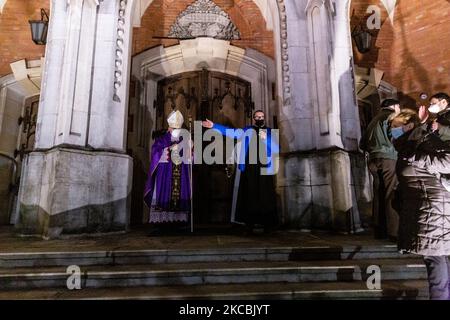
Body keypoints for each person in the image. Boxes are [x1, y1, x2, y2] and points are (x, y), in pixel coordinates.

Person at [390, 108, 450, 300]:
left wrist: (418, 159)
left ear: (408, 125)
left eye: (395, 127)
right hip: (425, 207)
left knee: (435, 257)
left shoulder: (423, 139)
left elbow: (448, 161)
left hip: (434, 208)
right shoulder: (409, 143)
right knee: (437, 257)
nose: (393, 131)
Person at [202, 110, 279, 234]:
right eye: (257, 116)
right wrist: (214, 126)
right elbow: (231, 133)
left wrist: (266, 139)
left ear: (264, 118)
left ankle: (268, 225)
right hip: (250, 168)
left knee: (265, 196)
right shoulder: (247, 130)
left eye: (262, 117)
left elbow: (276, 148)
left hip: (264, 167)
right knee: (250, 195)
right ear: (254, 118)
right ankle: (249, 224)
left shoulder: (270, 131)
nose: (260, 118)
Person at [359, 99, 401, 241]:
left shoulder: (373, 121)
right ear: (395, 106)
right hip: (389, 158)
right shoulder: (392, 117)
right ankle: (393, 232)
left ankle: (379, 231)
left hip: (373, 160)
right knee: (391, 193)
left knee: (378, 195)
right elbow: (395, 136)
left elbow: (362, 144)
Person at [143, 110, 191, 231]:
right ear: (169, 128)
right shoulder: (162, 139)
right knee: (164, 191)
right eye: (173, 128)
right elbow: (155, 152)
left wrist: (191, 150)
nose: (174, 131)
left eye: (176, 129)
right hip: (165, 173)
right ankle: (161, 221)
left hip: (180, 172)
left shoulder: (185, 140)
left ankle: (179, 221)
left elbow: (191, 158)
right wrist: (167, 151)